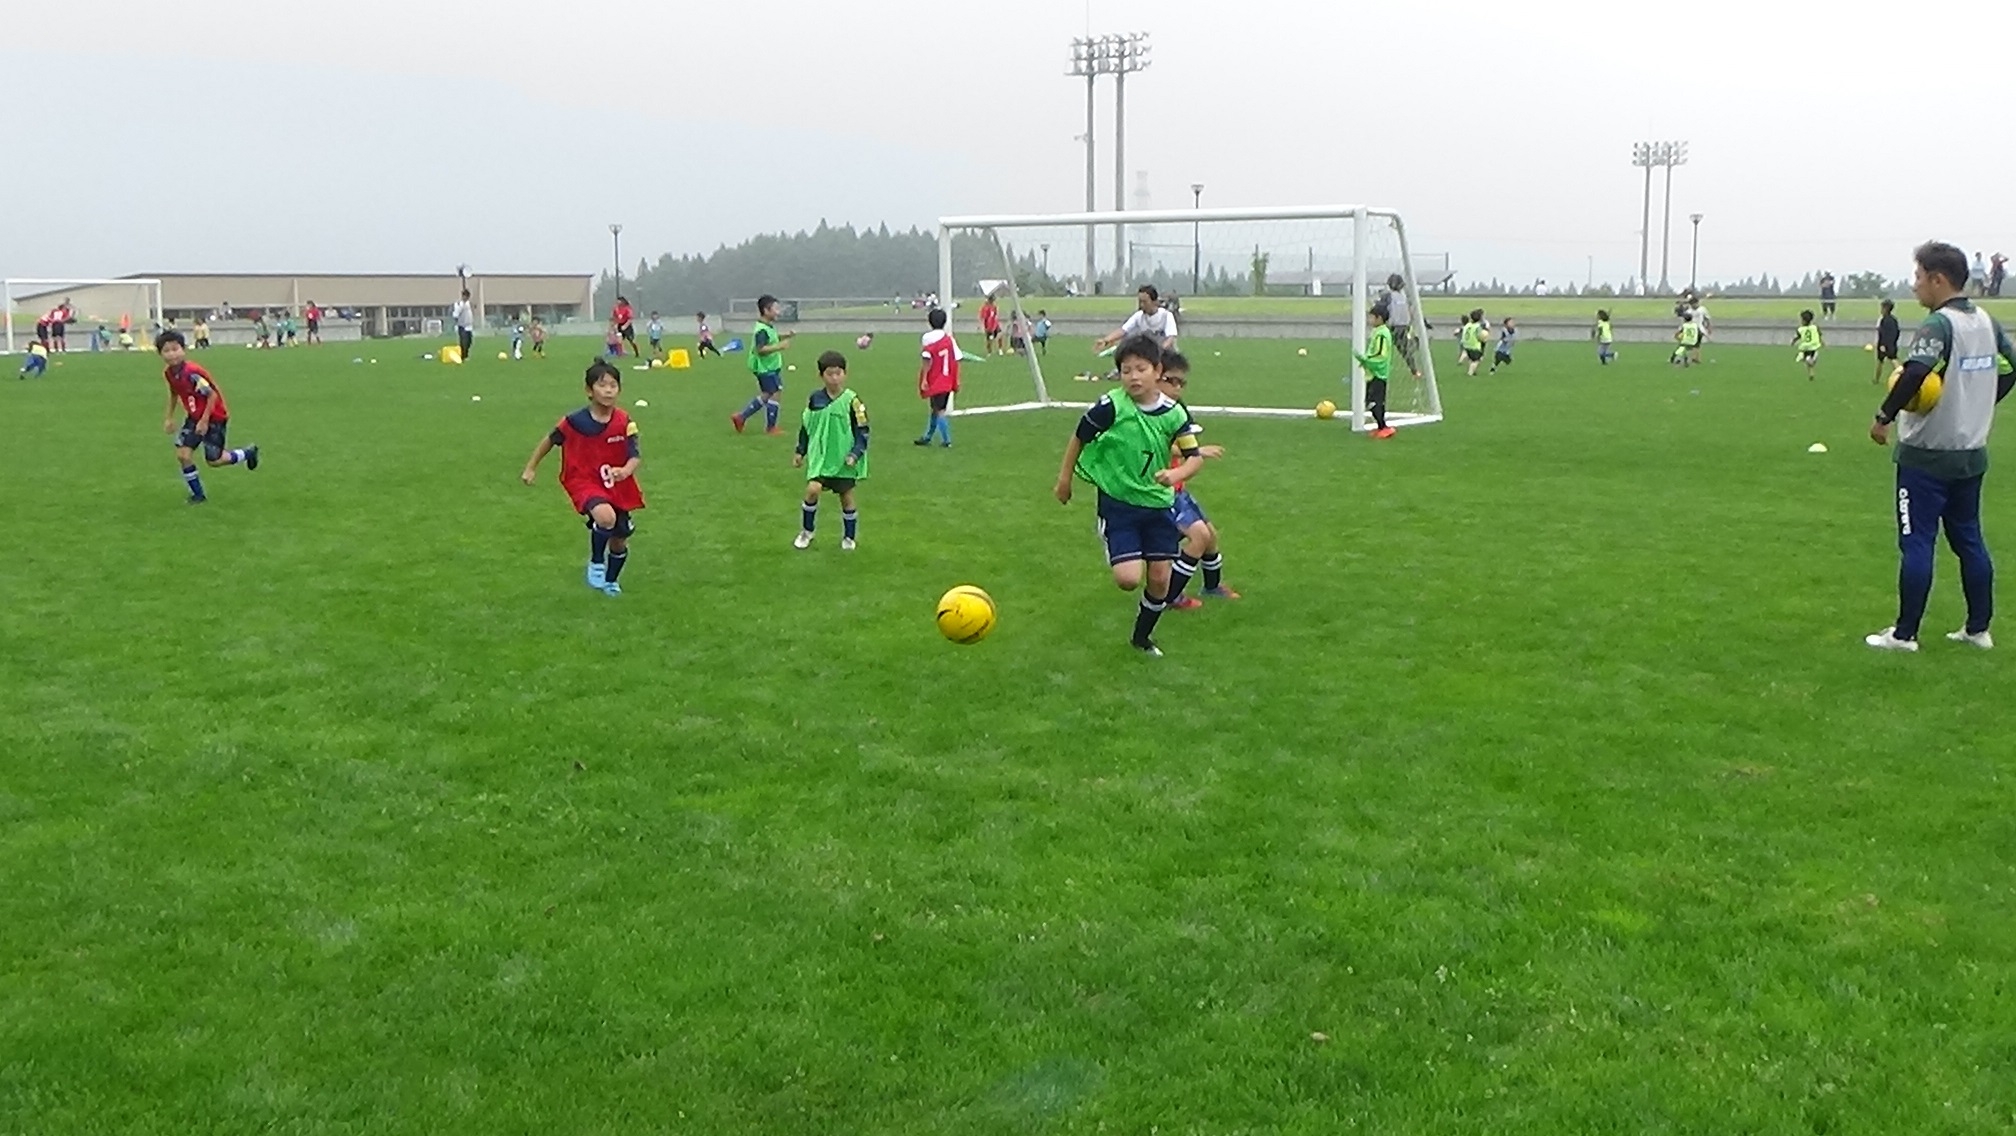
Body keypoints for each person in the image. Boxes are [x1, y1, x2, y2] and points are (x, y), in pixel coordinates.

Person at [1864, 241, 2016, 652]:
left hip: (1927, 456)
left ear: (1937, 279)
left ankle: (1905, 634)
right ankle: (1978, 629)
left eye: (1917, 277)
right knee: (1970, 539)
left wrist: (1883, 418)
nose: (1914, 287)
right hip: (1971, 453)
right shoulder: (1987, 320)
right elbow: (2011, 365)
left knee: (1917, 540)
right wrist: (1979, 400)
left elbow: (1915, 373)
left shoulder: (1939, 325)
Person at [1053, 335, 1206, 657]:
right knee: (1127, 579)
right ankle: (1108, 533)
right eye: (1126, 370)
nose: (1133, 376)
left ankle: (1142, 639)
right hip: (1119, 504)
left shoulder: (1174, 413)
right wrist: (1064, 480)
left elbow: (1194, 458)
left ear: (1157, 371)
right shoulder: (1112, 406)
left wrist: (1175, 475)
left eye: (1141, 369)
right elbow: (1078, 438)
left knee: (1160, 580)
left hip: (1159, 505)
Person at [520, 359, 644, 596]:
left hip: (617, 485)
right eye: (602, 385)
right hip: (582, 480)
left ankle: (611, 581)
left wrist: (626, 470)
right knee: (605, 516)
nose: (608, 390)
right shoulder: (574, 421)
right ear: (589, 391)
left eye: (613, 385)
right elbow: (550, 441)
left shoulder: (625, 422)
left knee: (619, 540)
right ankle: (597, 562)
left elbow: (635, 455)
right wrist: (531, 467)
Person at [1155, 351, 1237, 610]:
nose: (1177, 388)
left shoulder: (1176, 408)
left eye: (1182, 383)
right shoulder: (1146, 411)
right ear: (1156, 376)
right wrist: (1197, 452)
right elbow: (1158, 447)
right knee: (1199, 537)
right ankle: (1170, 596)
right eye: (1172, 381)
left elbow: (1182, 441)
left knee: (1210, 536)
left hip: (1178, 488)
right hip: (1160, 492)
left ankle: (1212, 586)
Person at [155, 329, 260, 504]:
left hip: (214, 417)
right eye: (167, 351)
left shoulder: (192, 373)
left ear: (183, 349)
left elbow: (212, 395)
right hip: (194, 416)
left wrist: (204, 421)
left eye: (175, 349)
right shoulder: (169, 373)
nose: (172, 354)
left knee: (215, 460)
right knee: (183, 455)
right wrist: (169, 417)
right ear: (160, 354)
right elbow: (174, 392)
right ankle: (198, 495)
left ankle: (247, 453)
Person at [792, 350, 871, 551]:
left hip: (843, 459)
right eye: (830, 374)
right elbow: (806, 426)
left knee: (846, 497)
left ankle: (849, 537)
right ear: (821, 376)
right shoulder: (815, 400)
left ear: (845, 374)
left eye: (838, 373)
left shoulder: (853, 401)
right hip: (820, 458)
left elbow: (863, 431)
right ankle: (807, 531)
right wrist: (800, 451)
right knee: (812, 490)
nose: (834, 378)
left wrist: (855, 453)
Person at [731, 294, 793, 435]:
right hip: (765, 368)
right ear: (766, 310)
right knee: (774, 393)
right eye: (775, 309)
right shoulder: (761, 330)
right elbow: (761, 350)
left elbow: (771, 339)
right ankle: (770, 428)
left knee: (767, 394)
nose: (778, 312)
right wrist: (780, 347)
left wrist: (785, 336)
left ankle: (741, 417)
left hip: (770, 367)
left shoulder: (767, 326)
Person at [916, 307, 960, 447]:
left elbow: (927, 358)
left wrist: (924, 379)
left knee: (939, 410)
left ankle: (947, 440)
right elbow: (957, 358)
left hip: (936, 379)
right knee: (935, 408)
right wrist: (956, 379)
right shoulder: (950, 339)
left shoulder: (927, 338)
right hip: (947, 379)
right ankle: (927, 436)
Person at [1356, 302, 1400, 439]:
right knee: (1371, 401)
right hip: (1374, 373)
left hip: (1378, 373)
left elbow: (1381, 354)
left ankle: (1384, 427)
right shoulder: (1379, 332)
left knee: (1374, 402)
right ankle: (1381, 427)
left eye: (1372, 317)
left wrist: (1365, 360)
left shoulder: (1382, 334)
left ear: (1379, 318)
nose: (1370, 320)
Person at [1095, 285, 1179, 353]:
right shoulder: (1139, 316)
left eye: (1145, 302)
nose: (1141, 305)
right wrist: (1106, 340)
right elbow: (1123, 330)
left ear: (1155, 301)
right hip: (1150, 357)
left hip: (1166, 356)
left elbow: (1170, 338)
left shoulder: (1166, 316)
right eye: (1140, 301)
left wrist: (1159, 351)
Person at [1874, 299, 1901, 385]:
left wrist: (1883, 345)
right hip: (1891, 343)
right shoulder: (1894, 320)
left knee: (1889, 360)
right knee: (1882, 360)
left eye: (1882, 308)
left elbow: (1883, 333)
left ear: (1886, 308)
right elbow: (1897, 332)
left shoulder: (1884, 320)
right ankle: (1876, 379)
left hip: (1885, 344)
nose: (1881, 310)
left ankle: (1901, 376)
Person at [1793, 310, 1823, 380]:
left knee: (1806, 360)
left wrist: (1794, 341)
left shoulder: (1800, 329)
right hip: (1813, 347)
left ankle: (1808, 361)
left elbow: (1798, 336)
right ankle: (1811, 372)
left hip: (1805, 347)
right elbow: (1819, 335)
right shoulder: (1815, 327)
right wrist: (1822, 343)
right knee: (1809, 362)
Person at [1458, 309, 1487, 375]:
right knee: (1476, 360)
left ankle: (1472, 371)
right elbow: (1479, 336)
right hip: (1474, 345)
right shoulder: (1477, 326)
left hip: (1467, 345)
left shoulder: (1467, 325)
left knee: (1471, 359)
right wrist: (1483, 339)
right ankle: (1470, 372)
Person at [451, 289, 475, 361]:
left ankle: (466, 355)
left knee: (469, 341)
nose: (466, 298)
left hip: (469, 326)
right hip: (462, 326)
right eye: (465, 296)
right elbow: (456, 314)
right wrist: (457, 323)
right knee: (464, 342)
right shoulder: (460, 304)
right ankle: (463, 356)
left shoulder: (468, 303)